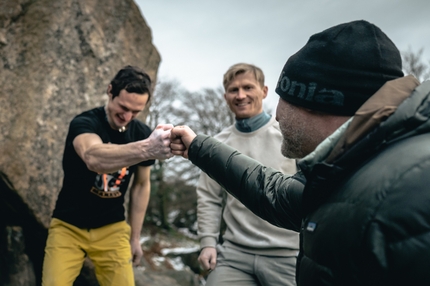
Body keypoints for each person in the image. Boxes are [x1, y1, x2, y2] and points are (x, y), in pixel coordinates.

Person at [170, 20, 430, 285]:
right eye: (233, 90)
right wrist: (197, 147)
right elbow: (273, 191)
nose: (279, 115)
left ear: (323, 103)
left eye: (288, 100)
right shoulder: (343, 170)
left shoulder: (412, 192)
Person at [42, 65, 173, 286]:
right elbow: (94, 158)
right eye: (123, 107)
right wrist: (148, 148)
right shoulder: (84, 123)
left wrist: (135, 238)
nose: (127, 116)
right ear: (110, 90)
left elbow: (141, 186)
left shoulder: (141, 133)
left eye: (135, 112)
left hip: (112, 229)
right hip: (68, 227)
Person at [197, 63, 299, 285]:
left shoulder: (289, 137)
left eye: (248, 87)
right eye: (234, 90)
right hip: (234, 255)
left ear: (264, 91)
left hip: (288, 255)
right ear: (225, 96)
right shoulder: (217, 144)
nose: (241, 95)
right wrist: (207, 243)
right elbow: (209, 197)